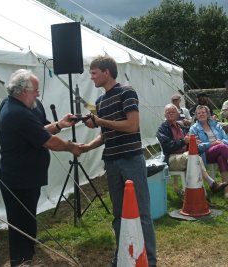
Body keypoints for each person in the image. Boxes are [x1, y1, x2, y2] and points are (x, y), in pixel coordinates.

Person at [0, 69, 81, 266]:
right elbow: (48, 141)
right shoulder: (14, 112)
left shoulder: (30, 106)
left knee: (28, 216)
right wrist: (71, 147)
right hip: (17, 177)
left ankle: (29, 253)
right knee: (19, 221)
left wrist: (60, 124)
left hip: (30, 176)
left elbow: (40, 129)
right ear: (22, 91)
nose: (38, 94)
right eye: (35, 90)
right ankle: (20, 260)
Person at [80, 55, 156, 267]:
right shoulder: (100, 101)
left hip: (132, 159)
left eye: (94, 73)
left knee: (142, 213)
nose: (91, 77)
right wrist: (87, 146)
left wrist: (100, 120)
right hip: (112, 162)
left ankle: (149, 261)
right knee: (118, 215)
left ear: (106, 72)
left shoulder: (127, 92)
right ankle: (123, 257)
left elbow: (132, 125)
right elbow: (106, 134)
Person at [156, 104, 228, 194]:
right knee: (194, 157)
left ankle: (204, 194)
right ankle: (211, 184)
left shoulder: (182, 127)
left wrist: (192, 142)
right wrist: (184, 141)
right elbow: (168, 147)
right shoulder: (162, 129)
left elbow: (192, 143)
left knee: (198, 156)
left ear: (178, 114)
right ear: (164, 114)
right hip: (172, 157)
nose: (170, 114)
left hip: (186, 154)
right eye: (168, 112)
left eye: (173, 112)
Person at [189, 105, 228, 198]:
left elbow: (226, 138)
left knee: (221, 158)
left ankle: (226, 191)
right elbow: (197, 147)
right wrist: (212, 143)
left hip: (221, 151)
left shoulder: (215, 125)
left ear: (207, 114)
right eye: (199, 113)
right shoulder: (194, 129)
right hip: (205, 154)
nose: (201, 114)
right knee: (222, 147)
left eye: (203, 112)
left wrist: (221, 142)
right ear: (196, 116)